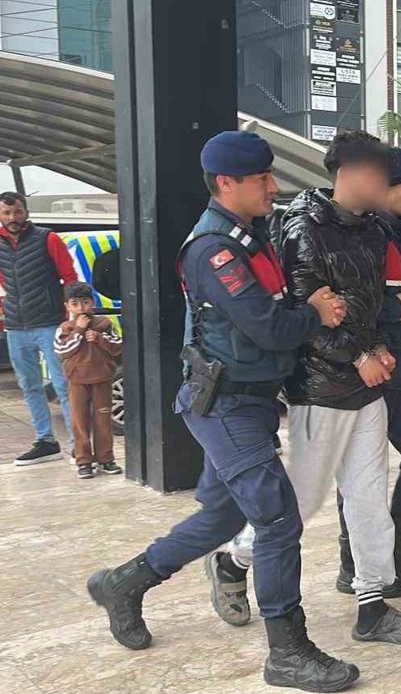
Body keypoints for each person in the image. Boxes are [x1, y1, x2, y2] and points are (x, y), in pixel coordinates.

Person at [86, 131, 358, 693]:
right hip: (226, 405)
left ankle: (124, 582)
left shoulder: (251, 236)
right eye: (261, 178)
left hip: (248, 403)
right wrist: (314, 312)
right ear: (227, 183)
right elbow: (268, 326)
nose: (272, 187)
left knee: (222, 518)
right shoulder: (216, 250)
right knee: (277, 519)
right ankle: (288, 651)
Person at [215, 131, 401, 646]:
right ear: (352, 174)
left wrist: (377, 347)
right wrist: (358, 356)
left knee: (368, 497)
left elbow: (364, 305)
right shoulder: (303, 228)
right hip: (320, 388)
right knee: (301, 501)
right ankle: (233, 561)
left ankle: (372, 604)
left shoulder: (373, 230)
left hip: (368, 383)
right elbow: (306, 314)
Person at [334, 147, 401, 593]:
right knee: (361, 472)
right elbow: (342, 304)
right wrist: (397, 308)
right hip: (363, 367)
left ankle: (395, 541)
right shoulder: (360, 235)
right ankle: (352, 560)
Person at [0, 191, 78, 466]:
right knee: (29, 386)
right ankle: (46, 442)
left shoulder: (48, 239)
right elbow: (4, 282)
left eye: (18, 211)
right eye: (7, 213)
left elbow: (70, 278)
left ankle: (79, 445)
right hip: (16, 326)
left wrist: (71, 319)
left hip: (50, 323)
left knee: (63, 385)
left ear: (26, 212)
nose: (13, 217)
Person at [53, 282, 123, 479]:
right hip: (77, 381)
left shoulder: (104, 324)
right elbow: (61, 351)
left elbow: (118, 346)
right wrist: (79, 331)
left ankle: (106, 459)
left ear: (92, 303)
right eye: (75, 304)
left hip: (102, 379)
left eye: (85, 302)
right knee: (80, 422)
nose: (81, 308)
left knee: (103, 421)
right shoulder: (65, 328)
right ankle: (84, 461)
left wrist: (100, 339)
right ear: (67, 306)